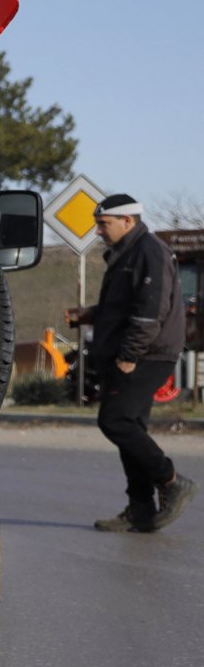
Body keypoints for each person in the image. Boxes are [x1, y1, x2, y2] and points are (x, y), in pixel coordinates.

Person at [68, 193, 195, 531]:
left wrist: (128, 356)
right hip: (135, 352)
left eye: (103, 224)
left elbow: (150, 313)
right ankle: (140, 508)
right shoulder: (128, 253)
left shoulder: (148, 251)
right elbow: (126, 306)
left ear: (128, 221)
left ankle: (171, 480)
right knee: (130, 427)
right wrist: (89, 315)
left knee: (115, 420)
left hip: (147, 354)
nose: (98, 231)